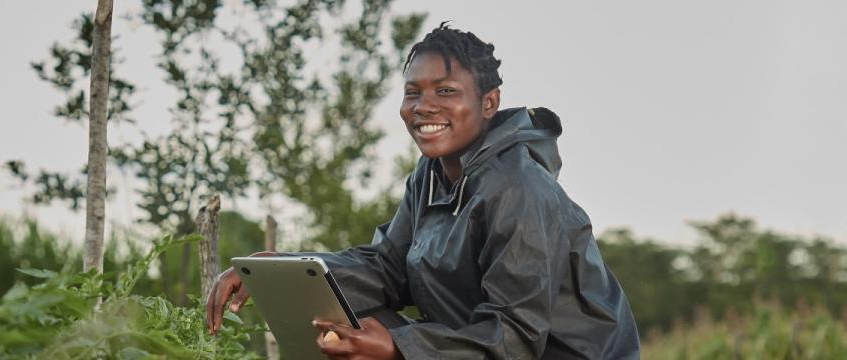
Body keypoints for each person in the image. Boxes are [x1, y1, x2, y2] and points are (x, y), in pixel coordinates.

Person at [204, 22, 641, 359]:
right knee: (335, 330)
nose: (424, 106)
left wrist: (399, 347)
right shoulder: (430, 174)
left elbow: (515, 335)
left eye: (446, 91)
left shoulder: (518, 187)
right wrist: (278, 269)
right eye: (413, 92)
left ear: (489, 103)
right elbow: (387, 269)